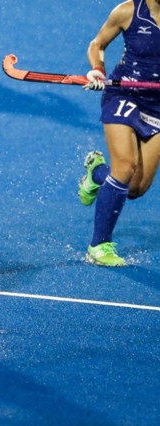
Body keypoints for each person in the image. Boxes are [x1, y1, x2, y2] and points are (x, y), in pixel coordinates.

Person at [80, 0, 160, 266]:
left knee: (135, 188)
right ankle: (99, 245)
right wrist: (97, 70)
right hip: (124, 94)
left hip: (158, 106)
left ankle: (97, 173)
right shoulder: (127, 11)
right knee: (125, 167)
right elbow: (97, 45)